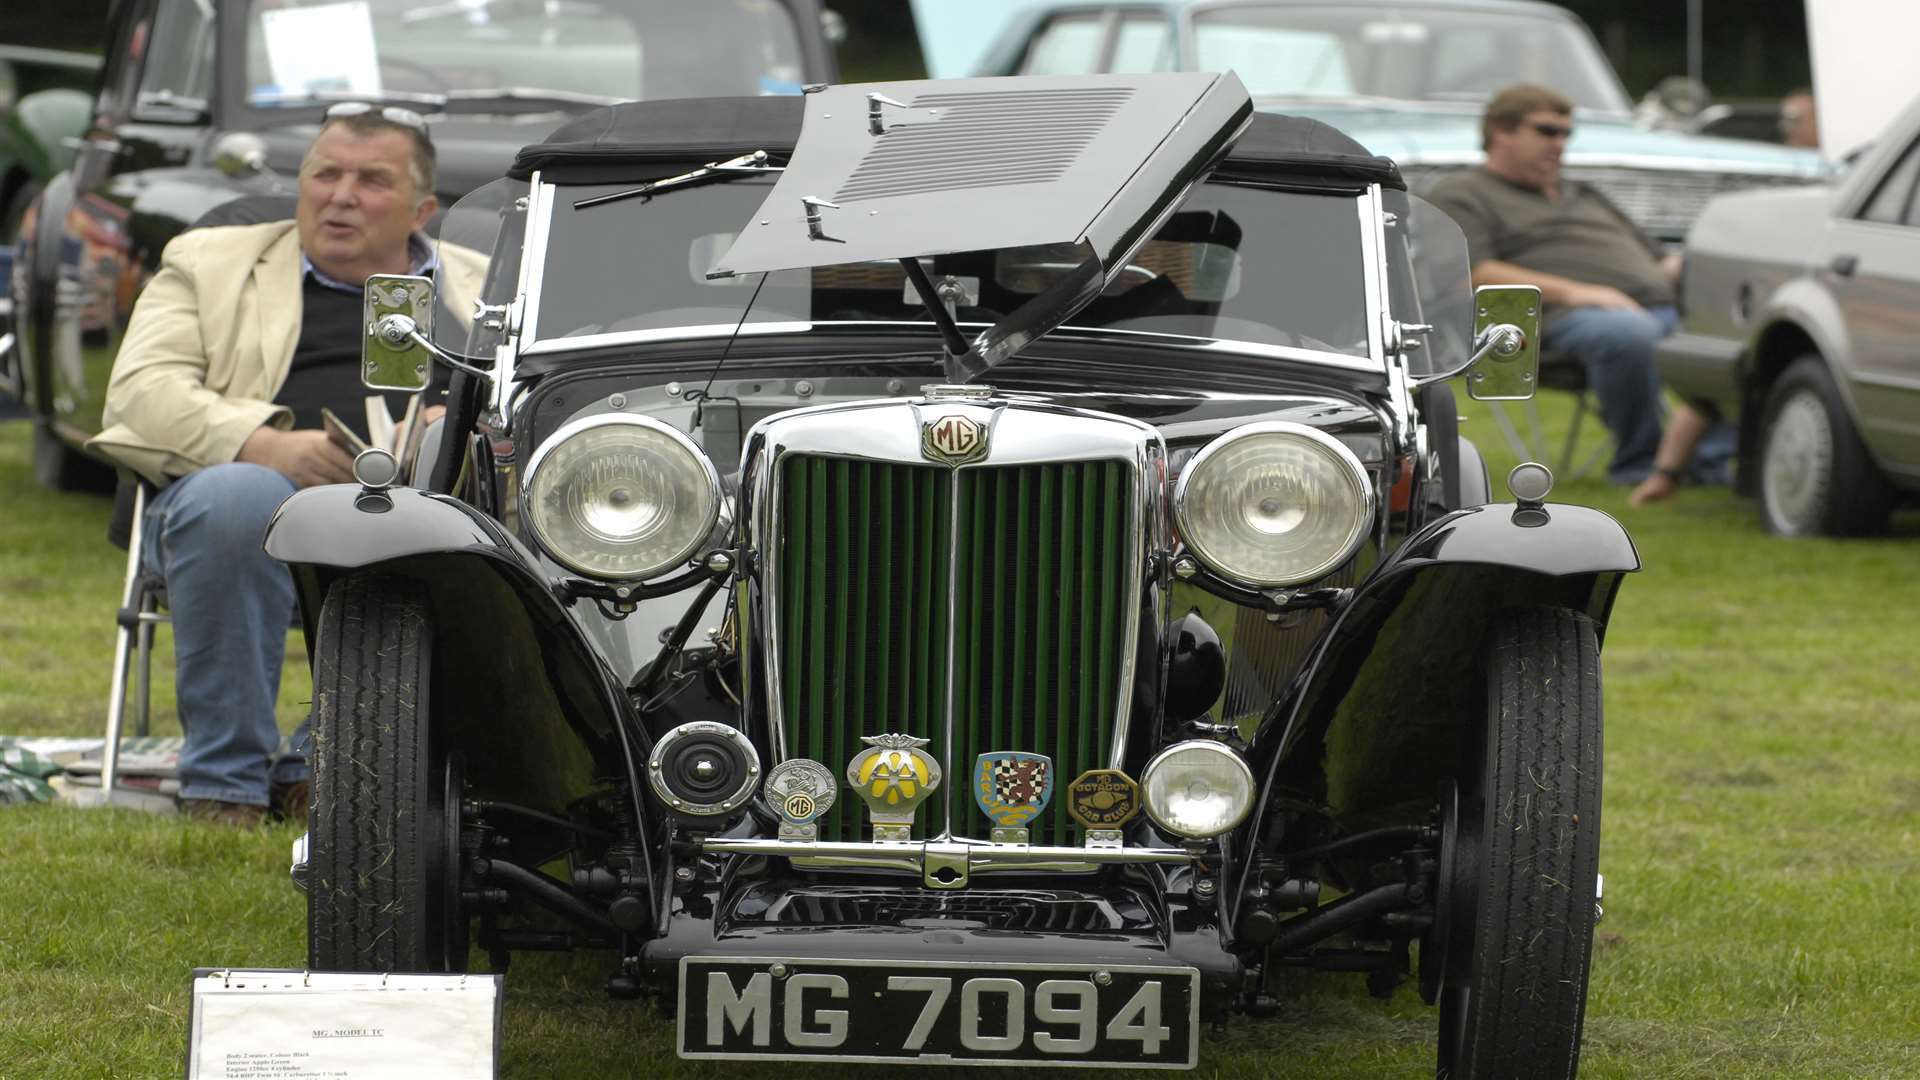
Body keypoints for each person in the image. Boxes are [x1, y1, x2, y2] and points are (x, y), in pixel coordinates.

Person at [86, 104, 481, 825]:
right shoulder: (208, 261)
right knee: (240, 494)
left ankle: (323, 767)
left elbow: (542, 402)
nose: (340, 195)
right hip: (241, 508)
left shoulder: (486, 286)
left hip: (426, 504)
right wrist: (266, 446)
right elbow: (140, 392)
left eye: (371, 180)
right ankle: (225, 785)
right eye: (324, 173)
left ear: (423, 208)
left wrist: (456, 426)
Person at [1427, 84, 1728, 488]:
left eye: (1566, 134)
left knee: (1738, 339)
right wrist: (1579, 293)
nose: (1559, 144)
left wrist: (1697, 268)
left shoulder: (1581, 193)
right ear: (1501, 131)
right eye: (1546, 131)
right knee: (1628, 334)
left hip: (1662, 306)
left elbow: (1659, 256)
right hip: (1552, 322)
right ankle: (1639, 465)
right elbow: (1471, 275)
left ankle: (1705, 463)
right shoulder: (1464, 192)